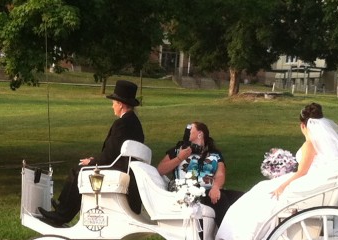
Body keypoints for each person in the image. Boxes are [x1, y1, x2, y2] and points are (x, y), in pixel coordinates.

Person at [215, 102, 338, 240]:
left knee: (261, 193)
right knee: (261, 190)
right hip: (313, 181)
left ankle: (239, 237)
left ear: (303, 125)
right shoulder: (324, 144)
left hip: (307, 181)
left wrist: (282, 186)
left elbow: (303, 171)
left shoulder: (310, 144)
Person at [37, 79, 144, 226]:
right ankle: (63, 208)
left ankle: (62, 214)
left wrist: (93, 162)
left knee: (78, 171)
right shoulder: (135, 123)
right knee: (82, 169)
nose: (112, 106)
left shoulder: (122, 124)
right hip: (123, 166)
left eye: (114, 102)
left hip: (117, 168)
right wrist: (95, 160)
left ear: (121, 104)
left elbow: (110, 154)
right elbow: (114, 152)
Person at [156, 121, 242, 227]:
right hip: (189, 193)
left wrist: (216, 188)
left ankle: (244, 236)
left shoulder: (215, 154)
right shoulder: (178, 150)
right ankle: (224, 238)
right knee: (221, 199)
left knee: (241, 197)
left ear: (200, 134)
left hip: (209, 189)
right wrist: (180, 158)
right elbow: (161, 169)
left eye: (190, 129)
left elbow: (220, 174)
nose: (187, 131)